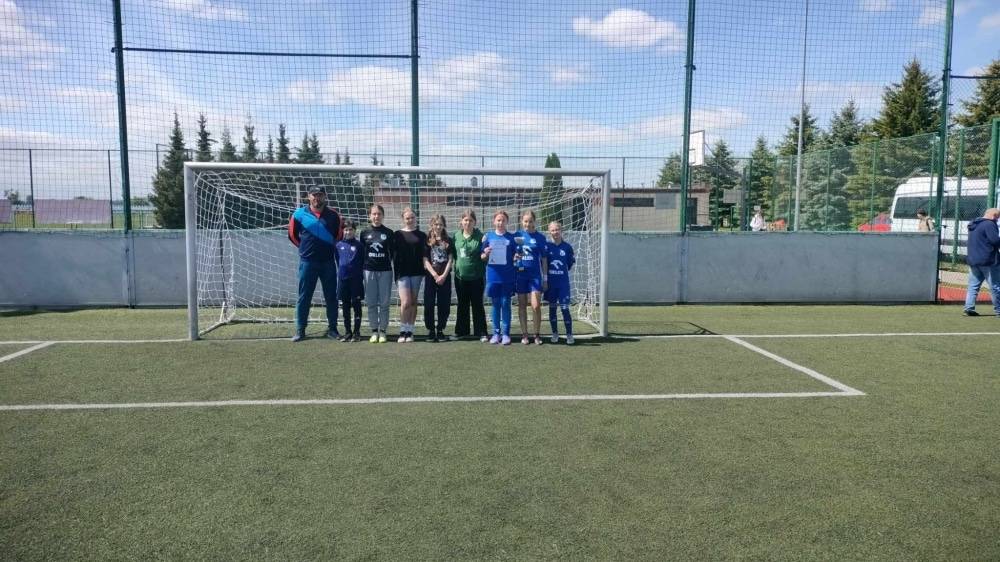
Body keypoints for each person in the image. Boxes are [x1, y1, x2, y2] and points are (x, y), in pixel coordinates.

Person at [287, 185, 342, 342]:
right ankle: (300, 330)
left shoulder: (334, 215)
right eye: (314, 195)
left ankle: (333, 329)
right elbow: (292, 236)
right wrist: (305, 249)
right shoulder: (298, 214)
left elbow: (338, 236)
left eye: (320, 195)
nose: (317, 198)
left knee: (331, 297)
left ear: (325, 196)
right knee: (304, 297)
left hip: (328, 262)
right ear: (309, 197)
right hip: (308, 263)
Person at [481, 210, 517, 345]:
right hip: (493, 275)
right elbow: (482, 257)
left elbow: (515, 256)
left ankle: (506, 334)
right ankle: (496, 333)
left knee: (506, 303)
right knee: (495, 304)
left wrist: (516, 257)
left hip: (507, 276)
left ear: (507, 222)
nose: (500, 223)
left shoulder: (511, 238)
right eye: (498, 220)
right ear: (494, 221)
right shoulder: (488, 237)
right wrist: (485, 253)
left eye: (503, 220)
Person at [392, 207, 427, 342]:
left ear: (416, 218)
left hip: (417, 271)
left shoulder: (422, 235)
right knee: (405, 302)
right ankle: (403, 330)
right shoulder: (397, 235)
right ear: (403, 219)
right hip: (402, 272)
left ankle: (410, 330)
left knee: (413, 301)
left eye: (412, 217)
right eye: (407, 218)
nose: (410, 220)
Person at [453, 209, 488, 341]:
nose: (468, 222)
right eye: (465, 220)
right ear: (461, 222)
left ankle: (481, 332)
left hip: (477, 277)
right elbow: (454, 255)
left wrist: (485, 254)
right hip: (460, 277)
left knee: (477, 304)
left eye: (470, 220)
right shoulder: (456, 236)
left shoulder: (481, 237)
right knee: (462, 304)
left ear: (475, 222)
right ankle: (461, 331)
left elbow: (485, 256)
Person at [514, 210, 548, 345]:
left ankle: (537, 335)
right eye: (526, 221)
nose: (528, 224)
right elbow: (511, 254)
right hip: (520, 275)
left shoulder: (540, 237)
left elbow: (544, 259)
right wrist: (515, 257)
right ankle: (524, 335)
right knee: (522, 305)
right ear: (522, 221)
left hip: (535, 276)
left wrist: (545, 279)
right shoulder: (517, 235)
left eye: (530, 221)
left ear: (535, 222)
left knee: (536, 305)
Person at [361, 204, 394, 343]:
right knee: (371, 303)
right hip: (369, 271)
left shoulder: (389, 233)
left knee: (385, 303)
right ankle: (374, 331)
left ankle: (383, 331)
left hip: (385, 271)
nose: (376, 216)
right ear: (370, 216)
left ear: (383, 216)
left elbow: (392, 254)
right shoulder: (364, 233)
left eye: (379, 214)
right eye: (374, 214)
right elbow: (362, 253)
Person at [963, 208, 1000, 317]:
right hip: (988, 260)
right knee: (995, 286)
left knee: (973, 286)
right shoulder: (989, 224)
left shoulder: (973, 224)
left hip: (974, 259)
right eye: (997, 218)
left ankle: (969, 308)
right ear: (993, 215)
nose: (997, 220)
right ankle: (999, 310)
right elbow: (995, 240)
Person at [423, 215, 454, 342]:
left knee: (444, 304)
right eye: (436, 224)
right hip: (431, 277)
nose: (438, 226)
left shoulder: (448, 240)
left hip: (444, 278)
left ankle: (440, 329)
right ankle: (431, 330)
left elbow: (450, 259)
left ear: (444, 225)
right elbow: (425, 260)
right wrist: (435, 275)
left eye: (440, 224)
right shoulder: (427, 240)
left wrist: (443, 276)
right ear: (432, 225)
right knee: (429, 303)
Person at [545, 221, 576, 345]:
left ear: (561, 230)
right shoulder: (547, 246)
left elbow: (569, 265)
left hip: (563, 284)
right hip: (551, 284)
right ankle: (555, 334)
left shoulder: (567, 247)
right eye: (552, 230)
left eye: (557, 229)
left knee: (565, 309)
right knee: (552, 308)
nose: (555, 232)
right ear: (549, 232)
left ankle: (569, 334)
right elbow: (544, 264)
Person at [335, 219, 365, 342]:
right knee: (345, 306)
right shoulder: (338, 245)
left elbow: (362, 261)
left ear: (355, 231)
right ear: (343, 231)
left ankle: (357, 332)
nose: (348, 232)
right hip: (343, 280)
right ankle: (348, 332)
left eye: (351, 230)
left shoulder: (359, 246)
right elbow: (338, 261)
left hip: (356, 280)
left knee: (356, 305)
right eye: (346, 230)